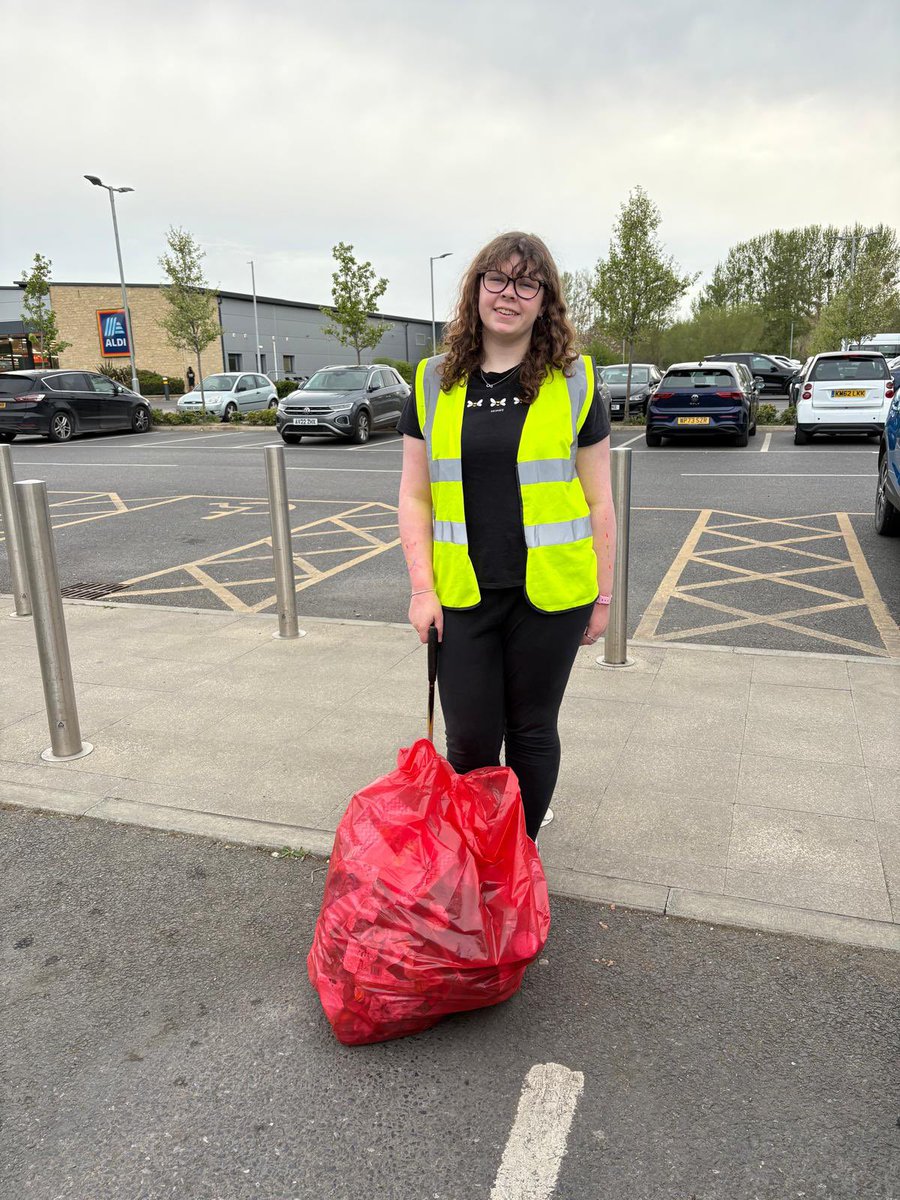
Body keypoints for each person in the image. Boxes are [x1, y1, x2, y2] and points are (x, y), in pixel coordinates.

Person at [397, 231, 616, 841]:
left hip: (551, 593)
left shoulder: (574, 380)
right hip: (463, 591)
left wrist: (603, 597)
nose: (509, 294)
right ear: (476, 288)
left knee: (532, 732)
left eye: (527, 283)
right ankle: (476, 856)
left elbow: (599, 499)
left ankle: (514, 860)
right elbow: (415, 494)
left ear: (544, 300)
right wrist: (421, 589)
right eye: (497, 278)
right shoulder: (433, 379)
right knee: (468, 742)